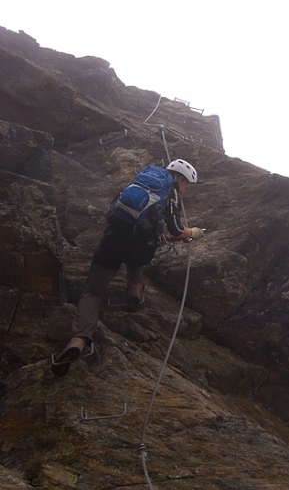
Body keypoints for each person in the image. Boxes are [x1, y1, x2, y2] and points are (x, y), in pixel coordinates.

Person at [51, 158, 203, 376]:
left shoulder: (142, 181)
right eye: (187, 185)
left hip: (112, 240)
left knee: (93, 292)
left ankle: (78, 340)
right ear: (179, 178)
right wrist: (195, 232)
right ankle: (135, 291)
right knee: (138, 257)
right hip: (140, 247)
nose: (186, 190)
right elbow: (177, 229)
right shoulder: (172, 194)